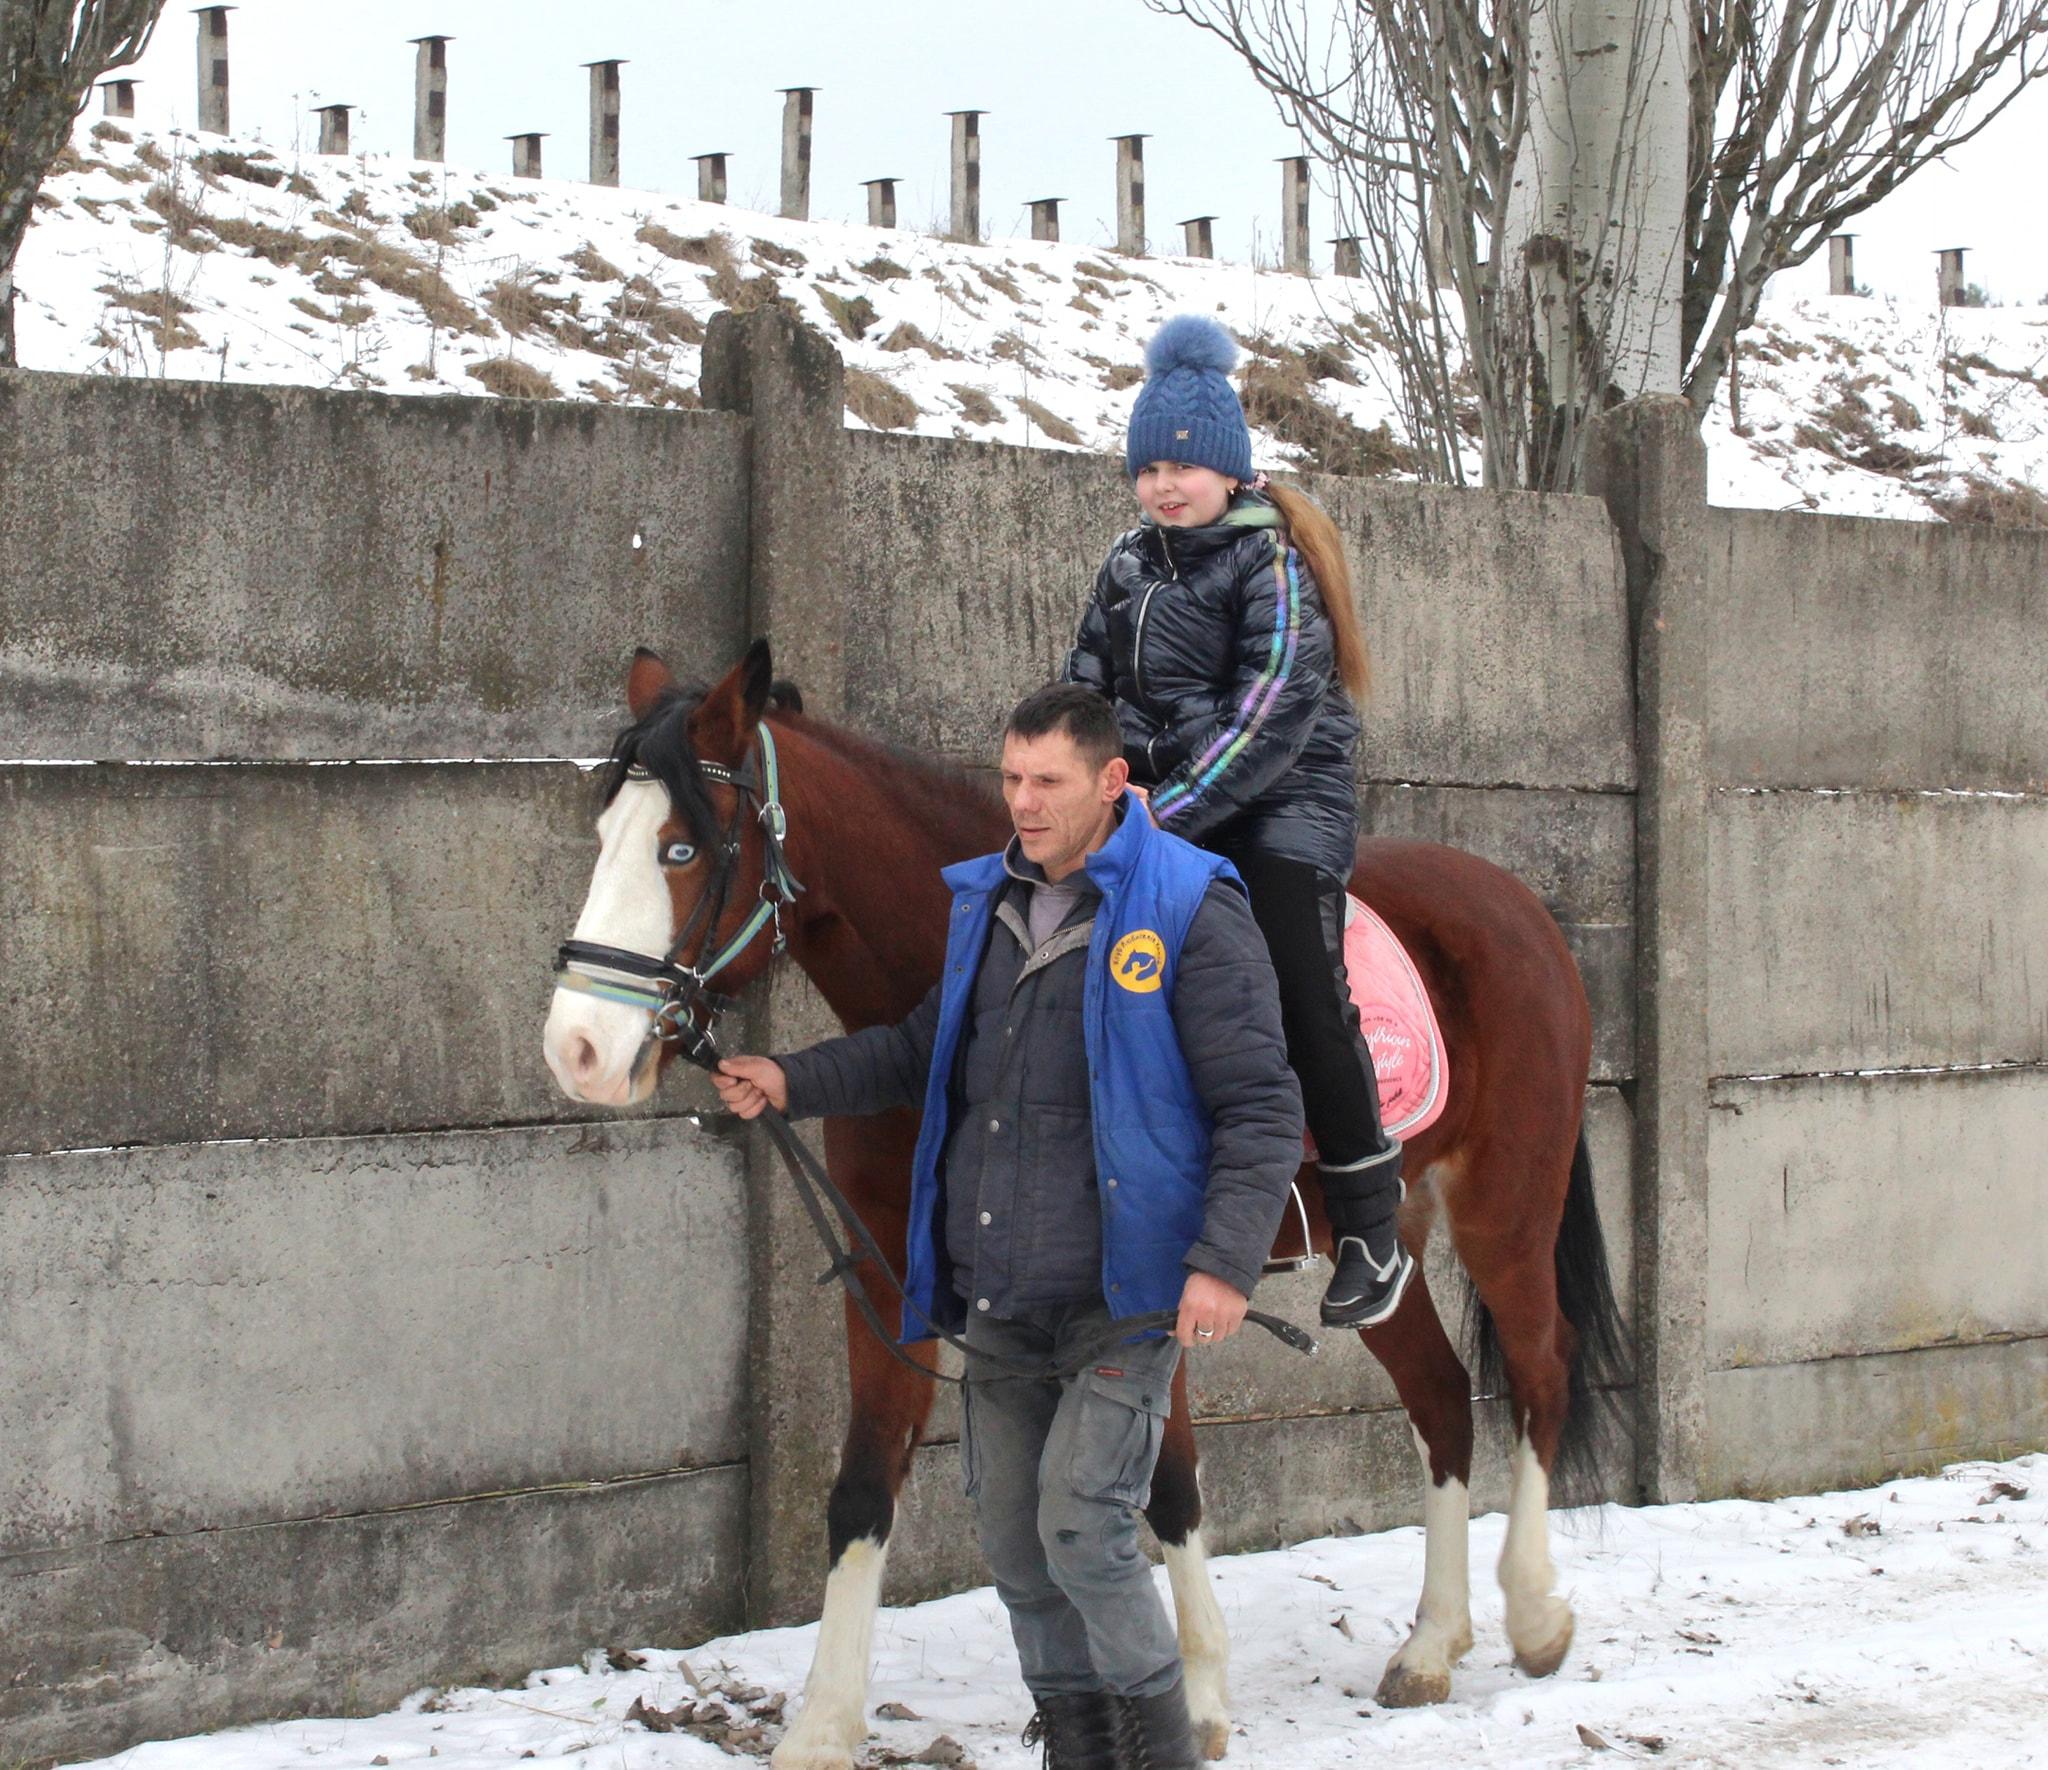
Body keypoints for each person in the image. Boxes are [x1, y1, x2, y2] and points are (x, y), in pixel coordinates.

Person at [714, 683, 1302, 1770]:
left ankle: (1157, 1751)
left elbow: (1261, 1107)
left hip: (1122, 1294)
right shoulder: (986, 906)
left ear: (1111, 784)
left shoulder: (1185, 905)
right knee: (1016, 1548)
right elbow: (914, 1050)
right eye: (1010, 780)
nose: (1021, 805)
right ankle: (1080, 1751)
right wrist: (787, 1079)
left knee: (1082, 1525)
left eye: (1047, 784)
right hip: (999, 1288)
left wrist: (1222, 1264)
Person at [1064, 313, 1415, 1332]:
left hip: (1283, 798)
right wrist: (1065, 785)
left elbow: (1264, 721)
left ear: (1226, 469)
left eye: (1183, 465)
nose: (1163, 485)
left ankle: (1366, 1220)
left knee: (1296, 972)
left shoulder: (1271, 568)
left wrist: (1152, 819)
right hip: (1164, 805)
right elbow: (1083, 684)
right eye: (1146, 468)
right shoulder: (1127, 565)